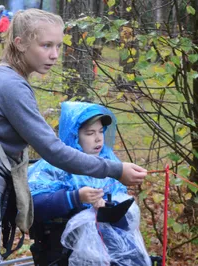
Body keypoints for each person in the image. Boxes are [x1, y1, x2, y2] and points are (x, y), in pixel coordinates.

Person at [0, 8, 147, 266]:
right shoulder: (10, 83)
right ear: (20, 44)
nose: (54, 55)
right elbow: (53, 150)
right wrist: (115, 170)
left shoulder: (3, 73)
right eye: (46, 45)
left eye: (58, 45)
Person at [28, 101, 152, 266]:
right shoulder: (52, 166)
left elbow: (123, 222)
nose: (98, 138)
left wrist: (110, 207)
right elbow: (34, 207)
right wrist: (76, 197)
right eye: (89, 133)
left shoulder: (110, 163)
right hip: (67, 248)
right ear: (74, 135)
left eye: (101, 131)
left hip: (108, 245)